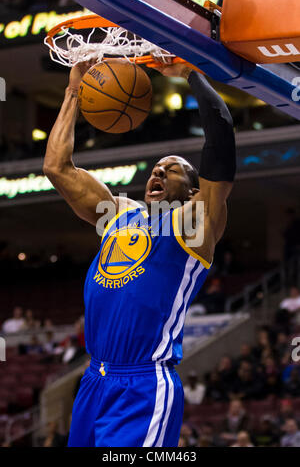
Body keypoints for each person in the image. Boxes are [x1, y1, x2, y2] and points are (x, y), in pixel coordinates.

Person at [43, 58, 236, 447]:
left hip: (143, 385)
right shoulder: (119, 214)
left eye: (173, 169)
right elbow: (56, 167)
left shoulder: (195, 223)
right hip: (93, 379)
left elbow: (221, 137)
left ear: (195, 192)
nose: (158, 173)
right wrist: (74, 92)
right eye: (156, 169)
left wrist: (190, 74)